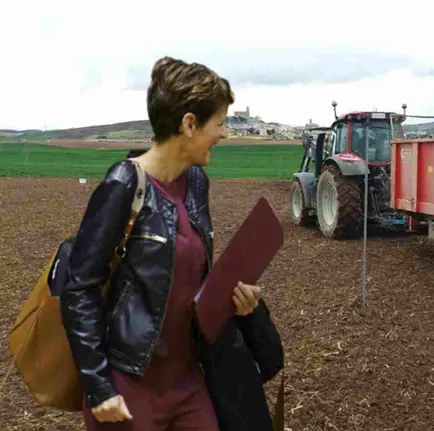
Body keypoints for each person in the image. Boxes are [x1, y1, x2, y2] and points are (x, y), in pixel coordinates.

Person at [60, 56, 282, 430]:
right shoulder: (124, 184)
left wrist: (235, 299)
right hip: (129, 386)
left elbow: (192, 279)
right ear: (189, 124)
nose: (225, 133)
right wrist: (98, 385)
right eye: (220, 122)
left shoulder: (196, 183)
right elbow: (79, 289)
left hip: (189, 381)